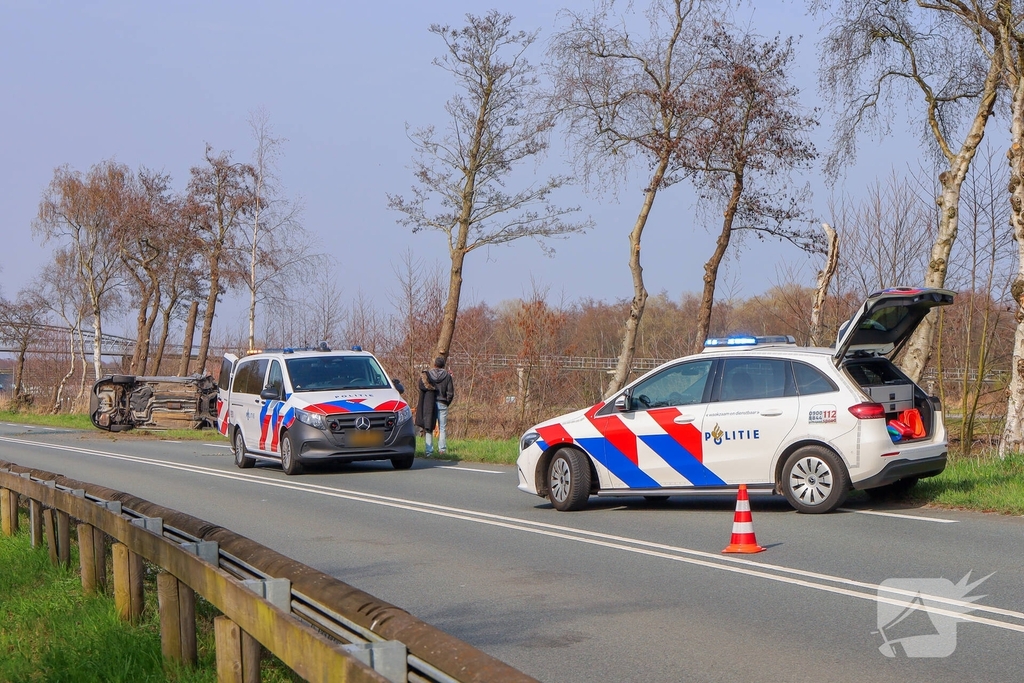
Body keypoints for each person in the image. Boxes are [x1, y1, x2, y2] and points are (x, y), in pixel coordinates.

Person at [423, 356, 454, 456]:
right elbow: (450, 392)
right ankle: (442, 450)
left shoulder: (429, 375)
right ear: (443, 365)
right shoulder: (447, 376)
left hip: (430, 404)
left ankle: (429, 451)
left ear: (435, 364)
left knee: (429, 427)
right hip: (443, 403)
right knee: (442, 428)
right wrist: (446, 402)